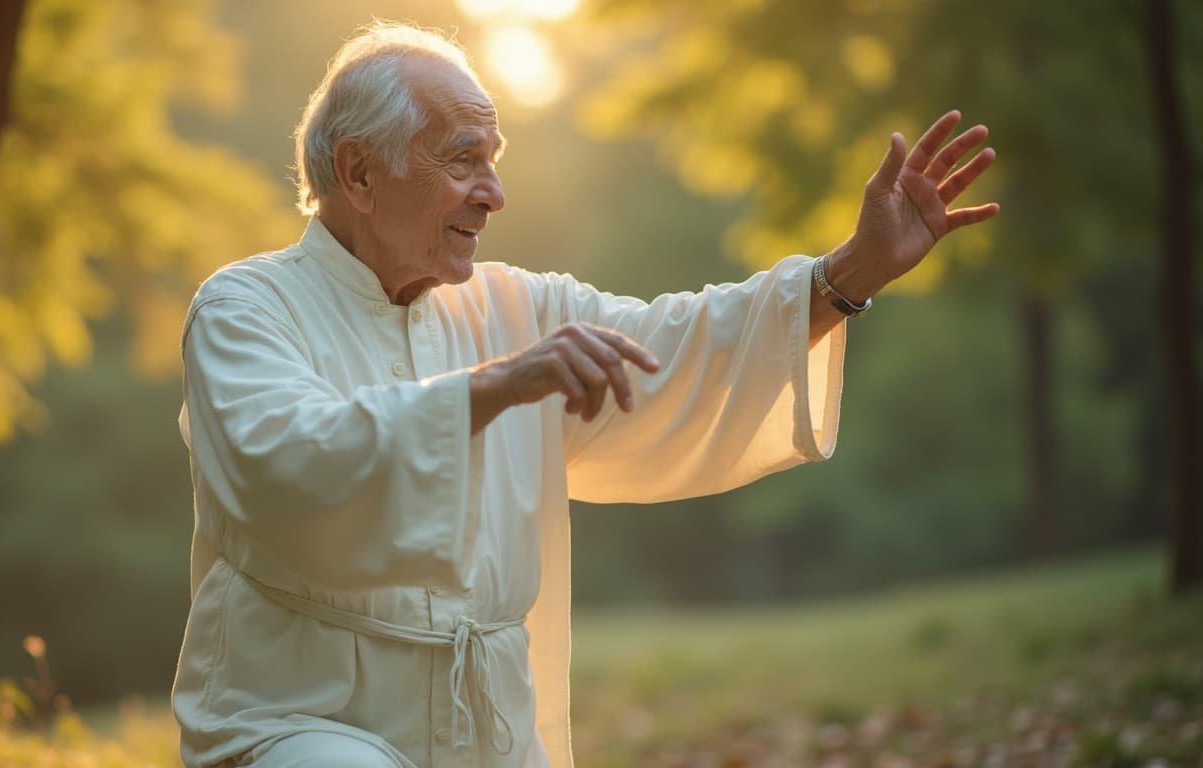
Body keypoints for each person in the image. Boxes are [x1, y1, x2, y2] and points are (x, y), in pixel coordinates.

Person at [171, 20, 999, 768]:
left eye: (494, 163)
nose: (494, 193)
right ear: (358, 171)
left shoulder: (515, 305)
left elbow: (676, 346)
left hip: (484, 731)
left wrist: (851, 271)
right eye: (463, 159)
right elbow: (279, 460)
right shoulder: (244, 308)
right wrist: (497, 386)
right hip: (301, 722)